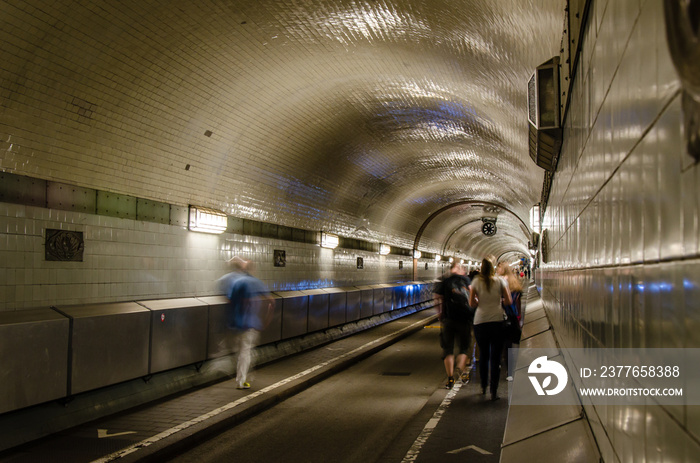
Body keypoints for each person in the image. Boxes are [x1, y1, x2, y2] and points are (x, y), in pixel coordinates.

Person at [218, 257, 273, 390]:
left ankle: (240, 376)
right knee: (246, 352)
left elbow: (230, 301)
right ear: (252, 269)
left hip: (236, 323)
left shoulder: (237, 283)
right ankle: (241, 380)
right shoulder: (256, 282)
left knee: (240, 351)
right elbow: (271, 301)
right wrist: (266, 319)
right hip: (250, 324)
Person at [469, 257, 512, 401]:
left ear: (481, 268)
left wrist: (479, 301)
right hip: (497, 321)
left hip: (480, 321)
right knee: (495, 357)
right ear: (493, 268)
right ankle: (494, 390)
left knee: (484, 356)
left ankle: (483, 386)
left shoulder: (475, 282)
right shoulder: (500, 281)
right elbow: (508, 300)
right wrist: (499, 301)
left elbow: (472, 303)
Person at [433, 261, 473, 389]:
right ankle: (459, 370)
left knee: (448, 350)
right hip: (465, 320)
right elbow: (473, 298)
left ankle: (450, 379)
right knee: (463, 348)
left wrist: (440, 314)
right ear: (461, 269)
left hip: (449, 320)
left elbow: (437, 298)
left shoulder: (445, 281)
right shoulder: (466, 280)